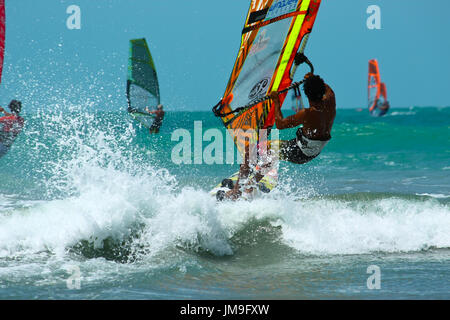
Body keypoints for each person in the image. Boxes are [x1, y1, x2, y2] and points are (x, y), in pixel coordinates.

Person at [224, 73, 336, 200]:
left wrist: (276, 101)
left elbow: (281, 124)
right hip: (313, 152)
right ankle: (250, 185)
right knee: (272, 154)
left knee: (251, 150)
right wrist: (312, 79)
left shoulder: (308, 114)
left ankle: (236, 191)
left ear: (307, 95)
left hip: (299, 152)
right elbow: (326, 88)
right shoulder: (331, 100)